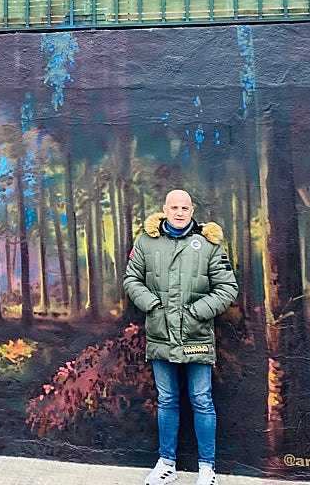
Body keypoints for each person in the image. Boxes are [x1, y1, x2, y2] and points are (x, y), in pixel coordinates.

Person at [123, 189, 238, 485]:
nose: (179, 212)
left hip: (197, 336)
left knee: (202, 400)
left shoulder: (209, 244)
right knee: (167, 399)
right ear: (165, 209)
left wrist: (198, 311)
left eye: (184, 207)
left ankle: (207, 469)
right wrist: (152, 305)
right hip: (160, 335)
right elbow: (131, 279)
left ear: (191, 210)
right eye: (174, 207)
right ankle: (166, 464)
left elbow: (227, 288)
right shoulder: (147, 242)